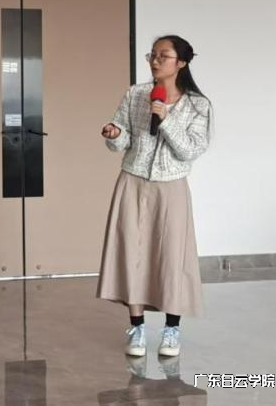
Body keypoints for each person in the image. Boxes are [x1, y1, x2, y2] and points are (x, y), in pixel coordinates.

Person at [97, 35, 212, 359]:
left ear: (182, 62)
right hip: (132, 181)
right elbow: (122, 139)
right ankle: (137, 328)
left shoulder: (197, 105)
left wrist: (166, 119)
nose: (155, 61)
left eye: (164, 55)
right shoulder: (136, 94)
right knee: (131, 253)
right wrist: (114, 134)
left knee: (172, 257)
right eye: (153, 55)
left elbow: (190, 149)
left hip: (171, 186)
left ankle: (171, 330)